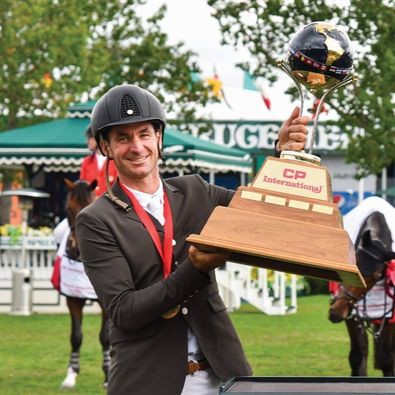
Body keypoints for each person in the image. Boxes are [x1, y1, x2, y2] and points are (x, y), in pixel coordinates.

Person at [75, 84, 308, 395]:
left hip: (223, 376)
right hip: (146, 381)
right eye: (122, 137)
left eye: (144, 133)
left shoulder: (195, 190)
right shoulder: (95, 220)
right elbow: (124, 311)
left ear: (159, 138)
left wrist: (281, 155)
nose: (136, 146)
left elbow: (258, 209)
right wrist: (194, 269)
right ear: (105, 147)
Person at [80, 124, 118, 196]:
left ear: (98, 138)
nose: (87, 142)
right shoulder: (86, 161)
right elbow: (82, 188)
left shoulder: (116, 161)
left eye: (89, 138)